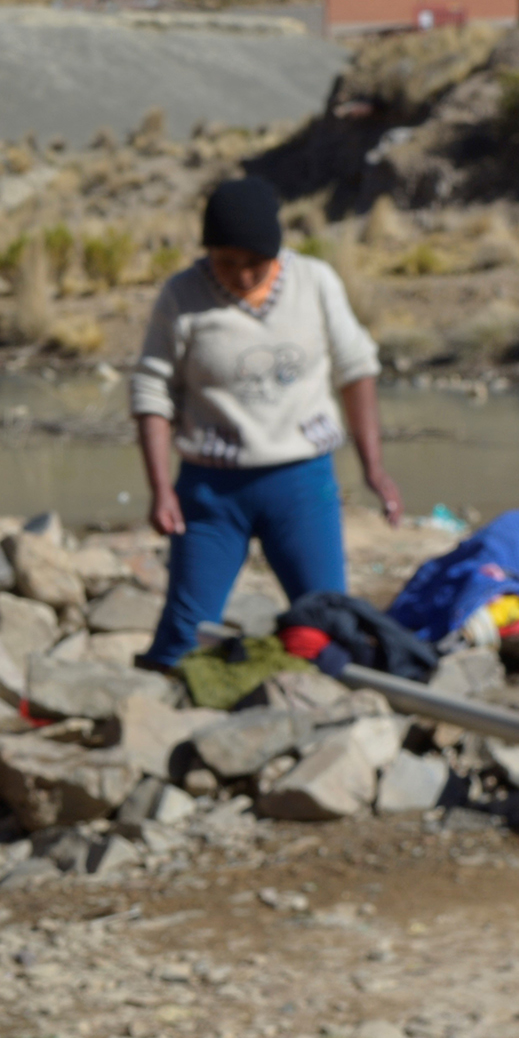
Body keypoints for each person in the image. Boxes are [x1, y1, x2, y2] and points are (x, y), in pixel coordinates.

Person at [129, 177, 400, 670]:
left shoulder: (315, 283)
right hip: (211, 493)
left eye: (257, 263)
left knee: (326, 621)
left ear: (277, 250)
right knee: (186, 632)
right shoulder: (182, 296)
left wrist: (374, 468)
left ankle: (338, 723)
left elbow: (356, 369)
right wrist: (160, 488)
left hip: (301, 483)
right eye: (227, 262)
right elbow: (152, 392)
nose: (244, 276)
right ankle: (158, 721)